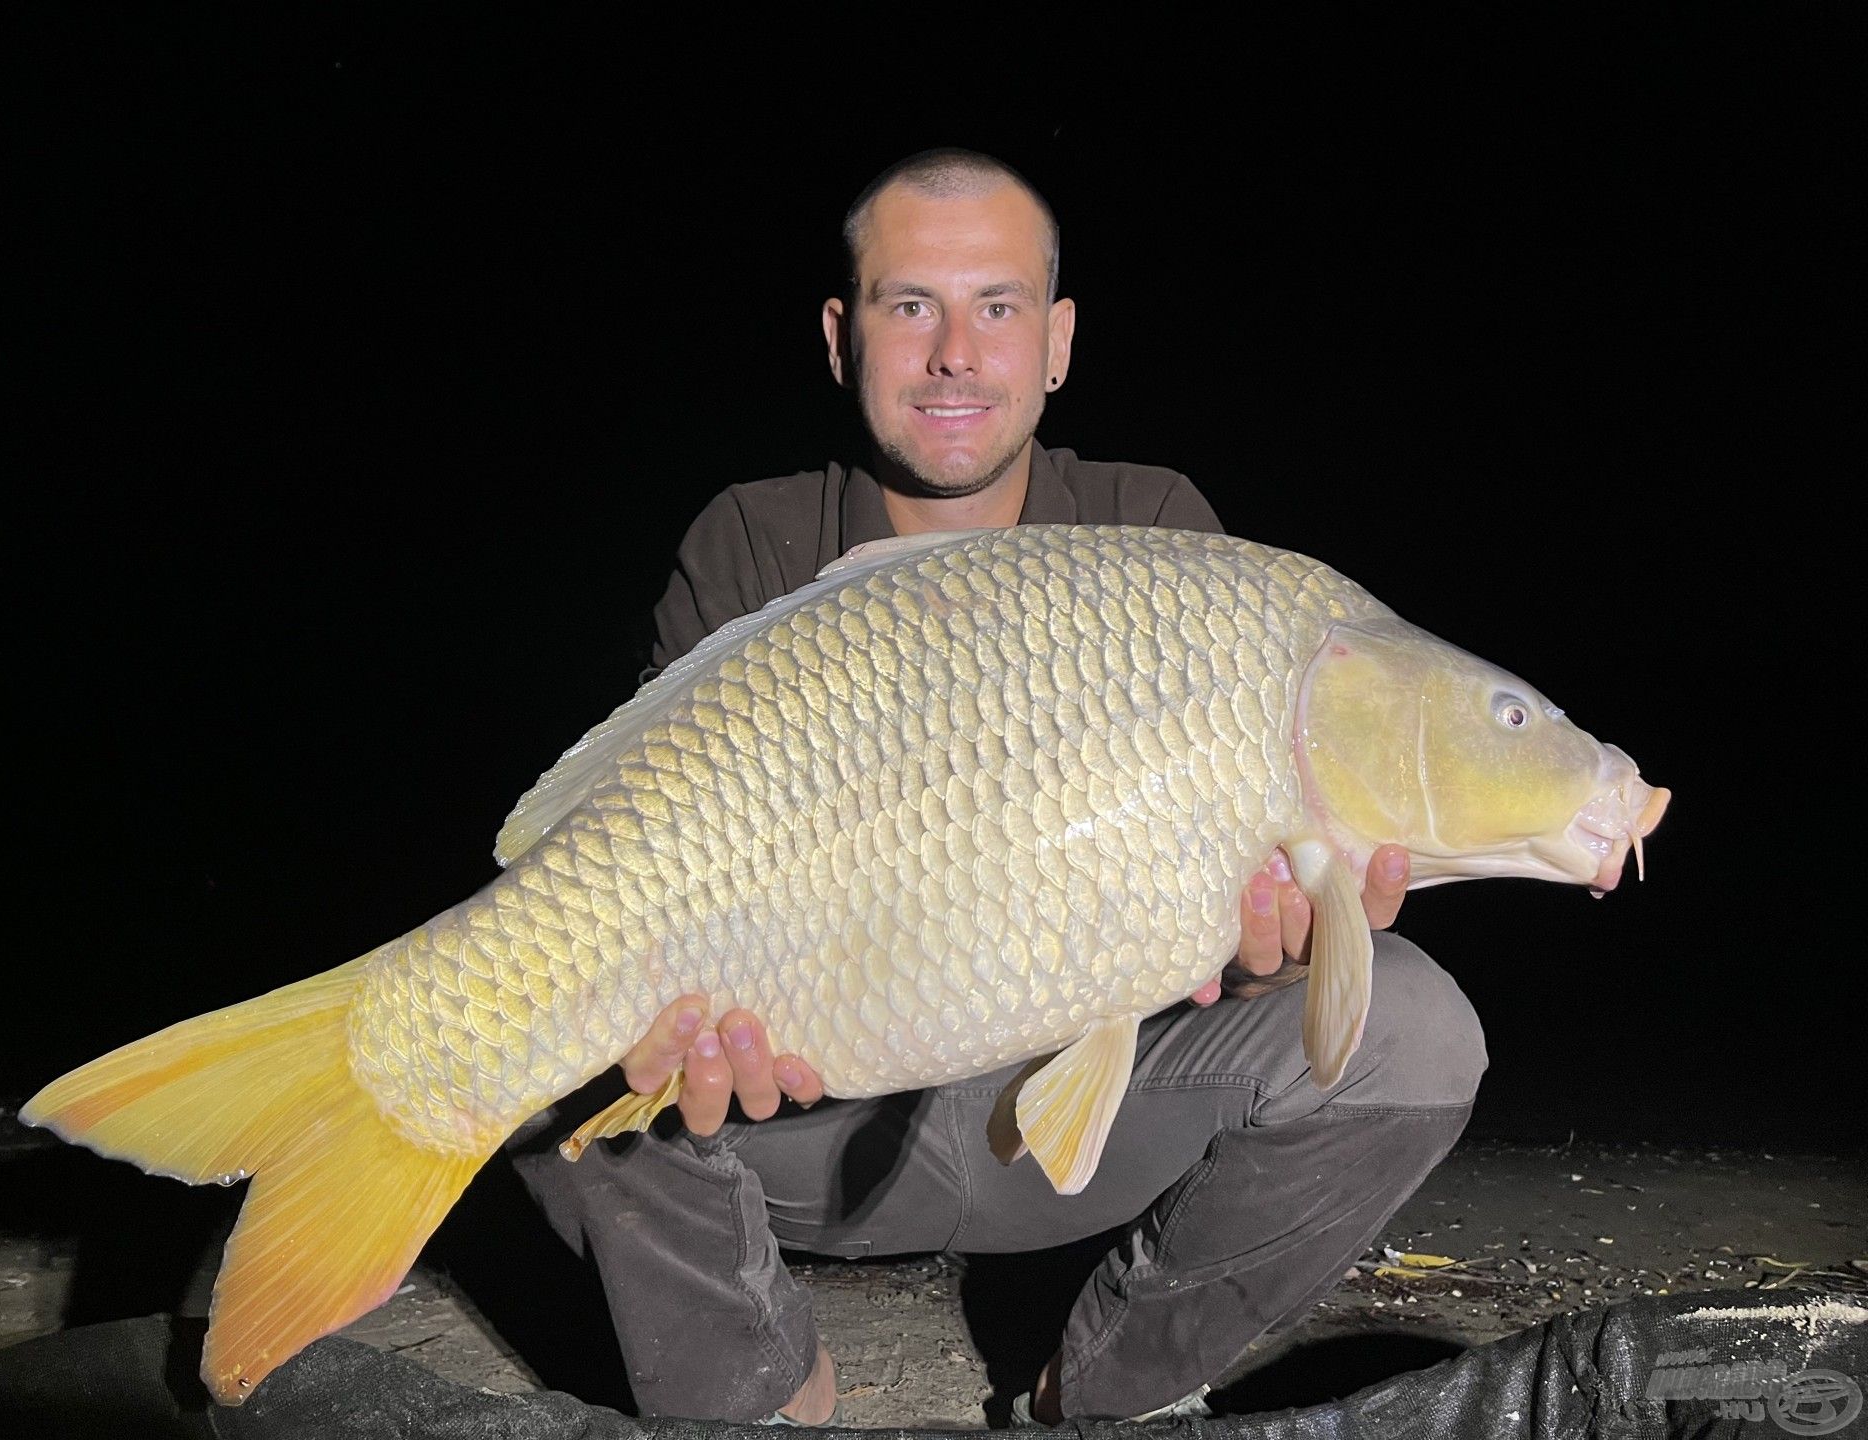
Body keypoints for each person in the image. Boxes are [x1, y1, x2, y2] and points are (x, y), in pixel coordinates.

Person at [514, 150, 1484, 1426]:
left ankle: (1099, 1389)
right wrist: (680, 1023)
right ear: (840, 336)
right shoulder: (749, 542)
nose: (956, 353)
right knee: (535, 1033)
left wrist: (1265, 956)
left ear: (1060, 340)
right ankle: (761, 1391)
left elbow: (1224, 910)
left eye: (1000, 307)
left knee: (1412, 1029)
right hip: (826, 1120)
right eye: (910, 305)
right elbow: (625, 872)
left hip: (1074, 1124)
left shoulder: (1157, 534)